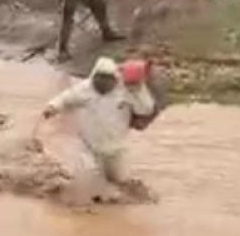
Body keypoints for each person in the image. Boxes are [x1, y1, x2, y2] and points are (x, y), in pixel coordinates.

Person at [42, 57, 155, 203]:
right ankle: (92, 202)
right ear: (94, 76)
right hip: (89, 146)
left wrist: (138, 90)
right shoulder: (84, 89)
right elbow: (65, 98)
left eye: (107, 78)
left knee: (120, 180)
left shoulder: (126, 91)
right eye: (100, 78)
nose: (103, 82)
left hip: (116, 148)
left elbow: (146, 109)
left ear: (114, 78)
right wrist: (52, 107)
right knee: (89, 177)